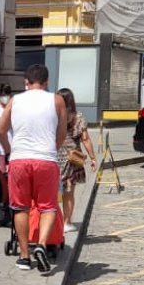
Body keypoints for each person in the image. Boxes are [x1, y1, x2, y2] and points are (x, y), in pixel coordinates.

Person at [0, 64, 67, 274]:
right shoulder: (57, 100)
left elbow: (1, 130)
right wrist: (52, 149)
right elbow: (62, 132)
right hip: (46, 159)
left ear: (25, 82)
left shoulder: (15, 100)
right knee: (47, 207)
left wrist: (10, 151)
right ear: (47, 82)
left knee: (20, 208)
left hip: (19, 159)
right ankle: (42, 245)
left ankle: (24, 256)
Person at [56, 88, 96, 233]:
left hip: (55, 156)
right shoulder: (78, 116)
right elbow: (85, 139)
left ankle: (53, 222)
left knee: (51, 192)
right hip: (73, 159)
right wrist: (92, 157)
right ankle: (67, 222)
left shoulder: (55, 115)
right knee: (69, 193)